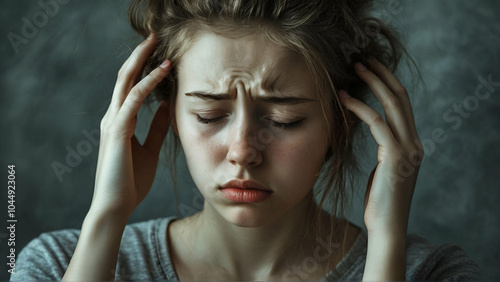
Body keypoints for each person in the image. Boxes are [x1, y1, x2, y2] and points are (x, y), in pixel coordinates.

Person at [11, 0, 480, 281]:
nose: (242, 152)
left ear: (342, 122)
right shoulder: (56, 264)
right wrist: (106, 217)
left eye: (284, 119)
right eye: (209, 115)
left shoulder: (432, 273)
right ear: (169, 113)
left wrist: (386, 246)